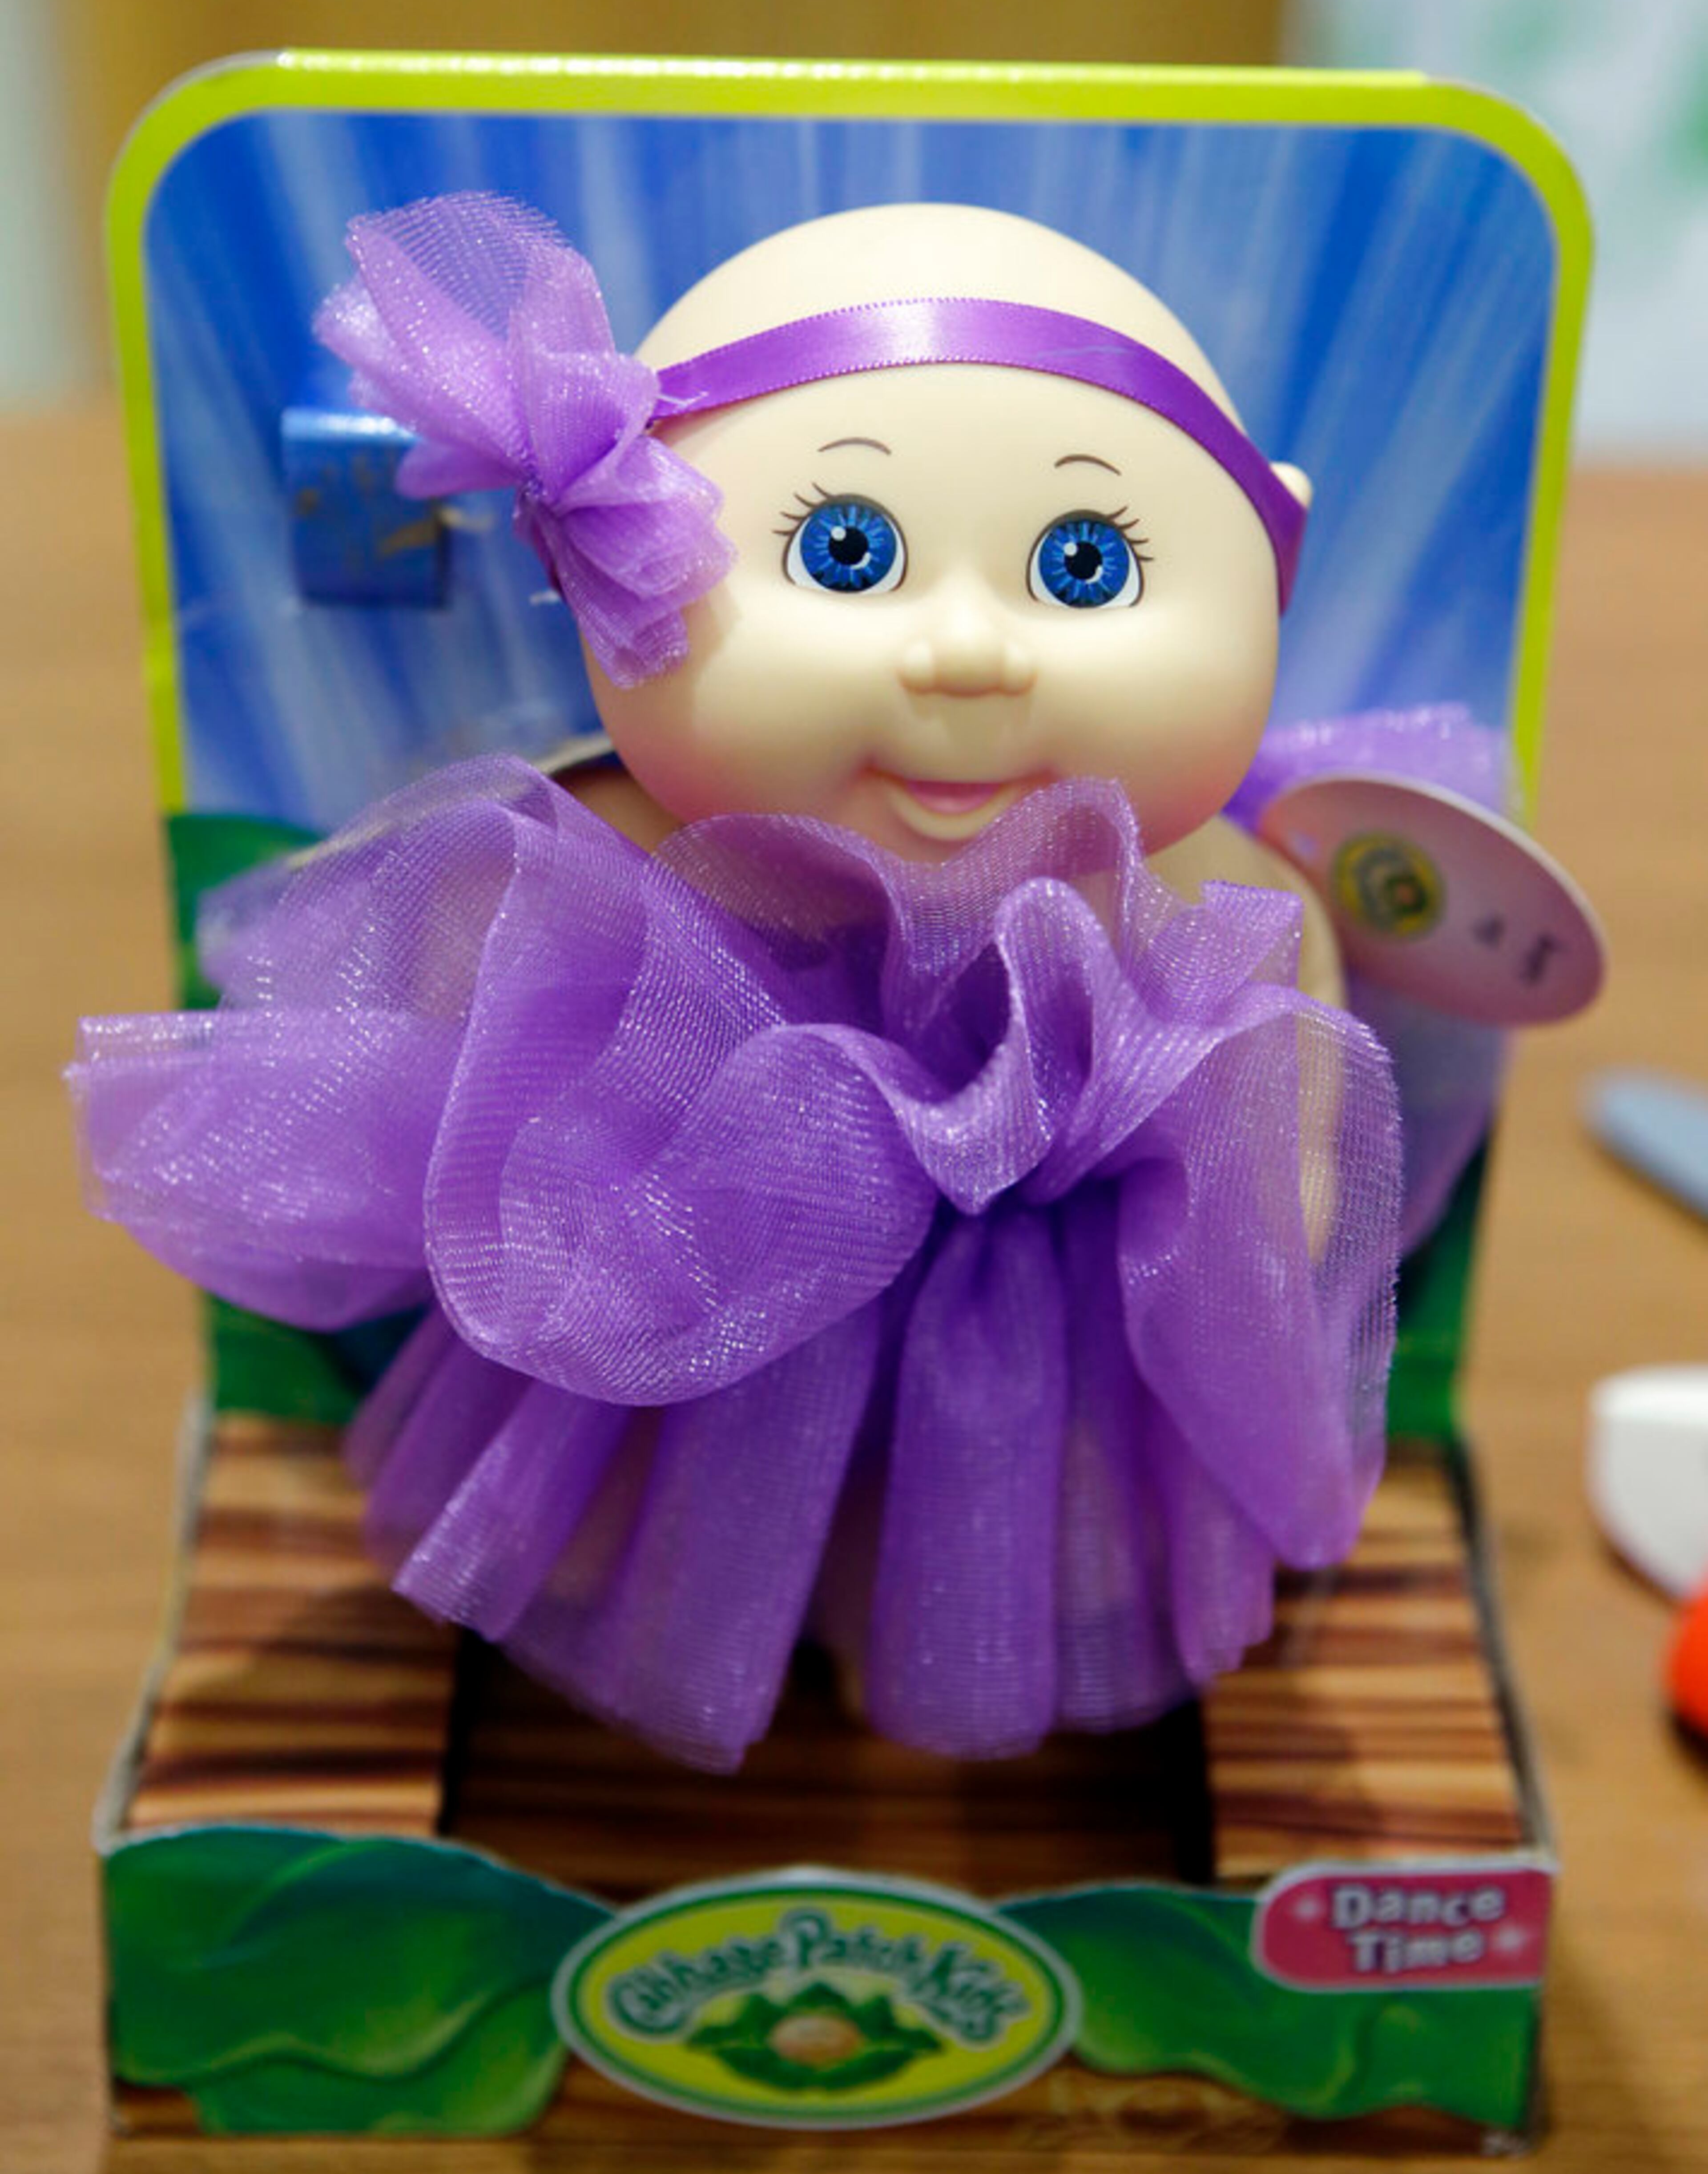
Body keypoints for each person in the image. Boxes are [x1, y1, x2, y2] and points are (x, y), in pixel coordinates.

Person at [73, 194, 1407, 1768]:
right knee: (666, 1540)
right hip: (716, 1308)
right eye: (850, 553)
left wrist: (1271, 1240)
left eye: (1083, 562)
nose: (968, 651)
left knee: (1019, 1549)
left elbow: (1290, 1132)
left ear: (1273, 557)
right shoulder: (625, 860)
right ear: (601, 564)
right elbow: (475, 1033)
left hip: (1048, 1335)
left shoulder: (1212, 895)